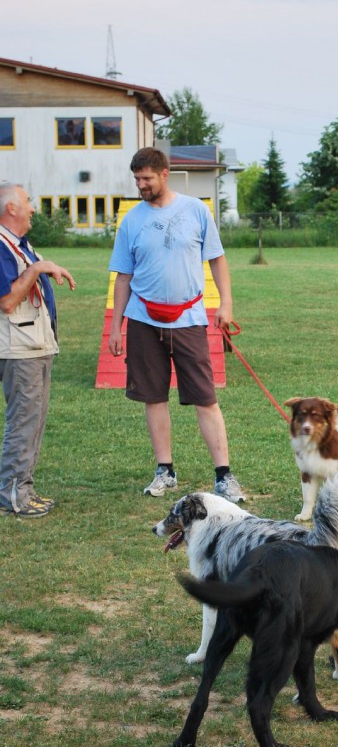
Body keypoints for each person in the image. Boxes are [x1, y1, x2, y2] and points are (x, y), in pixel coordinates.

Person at [108, 147, 245, 501]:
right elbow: (122, 277)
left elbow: (217, 260)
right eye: (137, 179)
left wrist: (226, 303)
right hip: (142, 319)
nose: (141, 185)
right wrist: (115, 326)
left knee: (205, 398)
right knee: (153, 398)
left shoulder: (196, 210)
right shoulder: (132, 220)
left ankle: (224, 476)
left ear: (164, 174)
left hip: (188, 318)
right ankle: (164, 470)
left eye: (147, 179)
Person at [0, 183, 76, 518]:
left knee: (35, 422)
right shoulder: (2, 247)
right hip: (19, 350)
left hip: (36, 346)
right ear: (10, 208)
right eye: (27, 202)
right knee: (23, 423)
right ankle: (12, 494)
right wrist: (38, 269)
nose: (32, 208)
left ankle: (24, 490)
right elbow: (7, 300)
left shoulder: (20, 246)